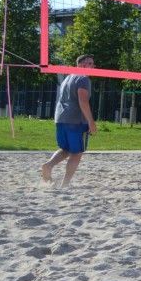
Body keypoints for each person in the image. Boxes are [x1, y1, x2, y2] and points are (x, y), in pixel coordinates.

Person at [41, 54, 98, 185]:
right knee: (76, 153)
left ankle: (49, 165)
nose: (92, 66)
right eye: (89, 63)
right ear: (81, 65)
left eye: (92, 64)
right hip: (75, 120)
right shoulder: (83, 78)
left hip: (60, 118)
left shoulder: (68, 78)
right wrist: (91, 121)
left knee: (66, 149)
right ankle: (65, 183)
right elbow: (83, 101)